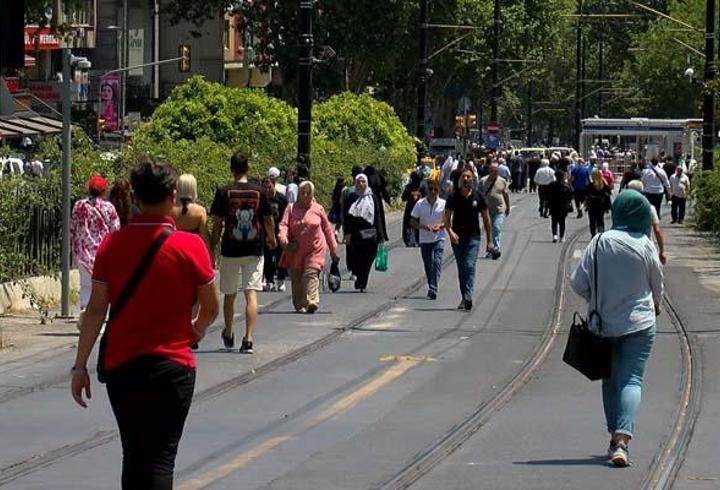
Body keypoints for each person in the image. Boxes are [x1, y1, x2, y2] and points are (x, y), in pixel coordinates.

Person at [70, 158, 219, 489]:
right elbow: (211, 307)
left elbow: (95, 311)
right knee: (161, 458)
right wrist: (195, 330)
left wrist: (80, 366)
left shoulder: (112, 245)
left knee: (134, 455)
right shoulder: (190, 245)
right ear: (171, 196)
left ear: (135, 197)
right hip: (173, 367)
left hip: (124, 368)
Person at [570, 190, 663, 468]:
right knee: (632, 379)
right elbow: (657, 282)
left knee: (609, 379)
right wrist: (655, 305)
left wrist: (596, 297)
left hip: (604, 324)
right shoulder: (646, 244)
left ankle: (614, 438)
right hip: (641, 322)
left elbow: (578, 283)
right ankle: (622, 440)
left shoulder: (599, 242)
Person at [210, 152, 276, 354]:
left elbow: (218, 222)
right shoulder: (259, 191)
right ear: (248, 168)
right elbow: (267, 218)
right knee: (251, 293)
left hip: (230, 249)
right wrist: (271, 237)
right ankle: (248, 338)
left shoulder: (224, 191)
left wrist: (212, 244)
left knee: (229, 294)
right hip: (254, 249)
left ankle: (229, 332)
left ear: (232, 169)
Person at [278, 181, 338, 313]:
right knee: (297, 278)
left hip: (315, 248)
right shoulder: (291, 208)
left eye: (308, 193)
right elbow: (284, 225)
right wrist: (283, 239)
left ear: (312, 194)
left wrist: (333, 249)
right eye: (302, 193)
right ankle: (299, 303)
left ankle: (312, 301)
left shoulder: (318, 209)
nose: (305, 195)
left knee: (311, 274)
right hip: (295, 249)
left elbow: (327, 229)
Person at [70, 175, 120, 331]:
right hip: (103, 253)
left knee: (85, 285)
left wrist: (75, 248)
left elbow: (72, 227)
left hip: (83, 253)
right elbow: (115, 230)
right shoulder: (108, 208)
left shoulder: (79, 206)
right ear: (104, 191)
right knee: (102, 287)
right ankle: (100, 318)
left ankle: (85, 309)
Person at [443, 168, 494, 311]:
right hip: (457, 238)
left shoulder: (479, 197)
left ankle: (468, 296)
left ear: (473, 179)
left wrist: (490, 241)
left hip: (474, 237)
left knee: (469, 265)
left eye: (468, 177)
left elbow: (486, 219)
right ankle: (464, 296)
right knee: (461, 269)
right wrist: (451, 233)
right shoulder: (453, 196)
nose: (466, 179)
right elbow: (446, 219)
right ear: (460, 180)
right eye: (463, 177)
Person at [343, 173, 389, 292]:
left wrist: (381, 235)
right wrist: (347, 233)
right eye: (359, 182)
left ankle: (363, 281)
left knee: (369, 258)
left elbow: (378, 216)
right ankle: (359, 277)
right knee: (357, 258)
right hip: (355, 234)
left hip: (370, 233)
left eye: (363, 181)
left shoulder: (372, 198)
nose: (361, 184)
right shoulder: (351, 198)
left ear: (367, 183)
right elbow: (346, 217)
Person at [410, 179, 446, 300]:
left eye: (435, 189)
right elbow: (412, 221)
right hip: (425, 239)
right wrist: (425, 227)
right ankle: (432, 285)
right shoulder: (420, 204)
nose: (433, 192)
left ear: (438, 191)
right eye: (431, 189)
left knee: (437, 262)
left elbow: (448, 222)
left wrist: (439, 226)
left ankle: (433, 288)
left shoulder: (443, 204)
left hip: (438, 238)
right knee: (428, 264)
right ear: (427, 190)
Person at [626, 180, 666, 265]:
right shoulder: (650, 208)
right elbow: (657, 231)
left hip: (626, 245)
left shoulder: (623, 208)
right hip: (645, 245)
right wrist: (661, 251)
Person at [171, 174, 211, 254]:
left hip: (173, 252)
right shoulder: (200, 211)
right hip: (192, 253)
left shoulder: (169, 209)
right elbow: (205, 239)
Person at [261, 175, 289, 291]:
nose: (267, 190)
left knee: (281, 256)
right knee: (268, 257)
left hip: (279, 231)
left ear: (274, 185)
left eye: (270, 187)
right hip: (267, 232)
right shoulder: (262, 200)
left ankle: (281, 279)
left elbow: (287, 216)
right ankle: (269, 280)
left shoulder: (282, 199)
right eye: (265, 187)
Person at [478, 162, 510, 259]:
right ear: (489, 171)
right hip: (486, 210)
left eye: (496, 171)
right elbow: (478, 195)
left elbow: (505, 195)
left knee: (496, 228)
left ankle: (496, 249)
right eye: (492, 171)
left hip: (499, 209)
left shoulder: (502, 181)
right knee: (489, 230)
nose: (494, 172)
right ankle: (490, 249)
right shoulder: (483, 181)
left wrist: (508, 207)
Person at [545, 170, 573, 243]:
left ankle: (555, 235)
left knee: (554, 221)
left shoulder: (551, 185)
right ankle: (562, 236)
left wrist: (547, 204)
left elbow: (547, 195)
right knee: (562, 222)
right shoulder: (565, 186)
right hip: (563, 206)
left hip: (553, 205)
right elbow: (571, 194)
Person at [401, 171, 426, 247]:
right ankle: (418, 240)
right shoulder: (424, 185)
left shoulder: (410, 186)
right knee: (418, 224)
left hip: (411, 208)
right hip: (418, 208)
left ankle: (409, 240)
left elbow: (403, 198)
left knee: (408, 224)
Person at [585, 168, 612, 237]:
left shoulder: (590, 185)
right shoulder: (604, 185)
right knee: (600, 220)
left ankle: (593, 235)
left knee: (592, 221)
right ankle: (600, 234)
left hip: (592, 206)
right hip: (601, 206)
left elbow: (586, 195)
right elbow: (609, 193)